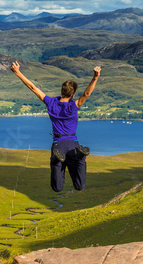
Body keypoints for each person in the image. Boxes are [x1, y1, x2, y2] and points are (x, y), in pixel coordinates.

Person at [10, 61, 101, 192]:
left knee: (57, 188)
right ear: (73, 95)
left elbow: (33, 88)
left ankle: (57, 161)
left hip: (58, 145)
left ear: (62, 91)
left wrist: (18, 72)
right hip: (73, 145)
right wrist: (95, 77)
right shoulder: (73, 106)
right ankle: (81, 158)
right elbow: (86, 94)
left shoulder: (51, 102)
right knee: (79, 186)